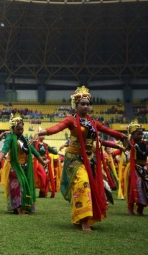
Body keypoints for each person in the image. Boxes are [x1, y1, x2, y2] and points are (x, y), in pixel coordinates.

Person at [34, 86, 127, 231]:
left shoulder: (93, 123)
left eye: (87, 104)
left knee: (90, 187)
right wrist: (42, 132)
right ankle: (83, 221)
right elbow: (57, 128)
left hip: (89, 160)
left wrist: (122, 137)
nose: (85, 106)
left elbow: (108, 131)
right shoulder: (71, 120)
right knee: (83, 184)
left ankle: (85, 217)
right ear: (75, 105)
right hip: (74, 160)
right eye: (82, 104)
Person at [0, 114, 45, 215]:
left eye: (22, 129)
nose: (20, 131)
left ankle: (22, 206)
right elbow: (4, 148)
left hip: (24, 166)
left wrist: (43, 162)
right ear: (13, 128)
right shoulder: (10, 138)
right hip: (13, 166)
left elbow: (33, 151)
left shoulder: (24, 139)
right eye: (18, 129)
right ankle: (18, 208)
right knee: (16, 186)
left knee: (24, 186)